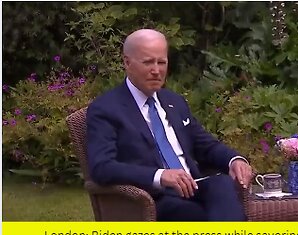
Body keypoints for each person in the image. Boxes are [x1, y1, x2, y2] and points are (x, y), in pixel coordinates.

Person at [86, 29, 253, 221]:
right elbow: (102, 168)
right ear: (127, 62)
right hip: (153, 197)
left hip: (193, 187)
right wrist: (160, 176)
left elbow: (205, 145)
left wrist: (235, 160)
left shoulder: (174, 102)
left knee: (222, 184)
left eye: (161, 62)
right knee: (201, 216)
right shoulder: (106, 109)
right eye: (148, 62)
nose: (156, 71)